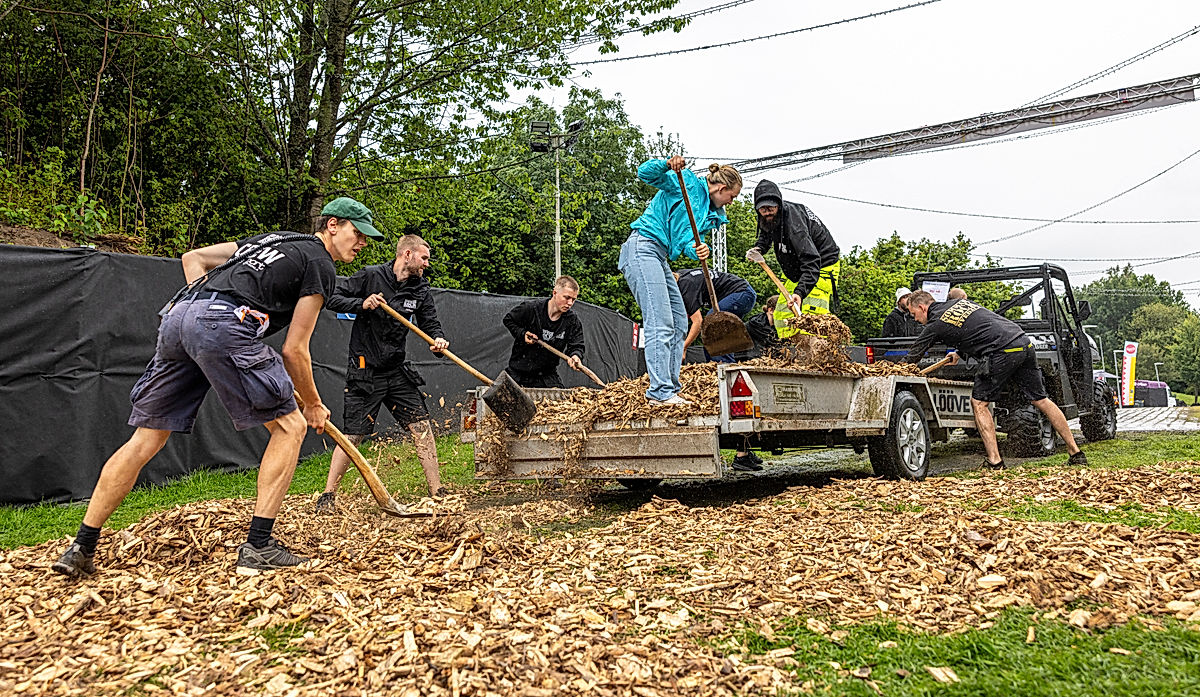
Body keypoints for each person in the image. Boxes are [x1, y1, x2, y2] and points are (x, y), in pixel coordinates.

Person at [52, 197, 382, 578]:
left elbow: (193, 258)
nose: (361, 245)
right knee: (291, 427)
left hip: (178, 319)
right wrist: (313, 403)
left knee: (146, 439)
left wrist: (204, 310)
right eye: (358, 234)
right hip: (223, 324)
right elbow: (294, 349)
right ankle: (259, 547)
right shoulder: (320, 264)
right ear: (333, 225)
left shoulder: (271, 239)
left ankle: (81, 548)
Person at [317, 234, 448, 513]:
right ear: (408, 254)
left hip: (397, 370)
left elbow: (430, 323)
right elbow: (333, 298)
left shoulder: (420, 289)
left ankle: (438, 491)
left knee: (421, 427)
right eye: (424, 258)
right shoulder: (371, 276)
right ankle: (327, 495)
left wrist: (438, 341)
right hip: (365, 370)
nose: (427, 263)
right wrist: (362, 304)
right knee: (353, 435)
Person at [903, 290, 1088, 470]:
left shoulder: (935, 323)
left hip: (1001, 351)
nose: (916, 319)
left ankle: (995, 461)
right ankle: (1076, 453)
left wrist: (894, 370)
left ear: (922, 307)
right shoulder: (960, 304)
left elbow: (913, 355)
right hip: (1023, 342)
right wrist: (959, 353)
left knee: (979, 403)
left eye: (914, 314)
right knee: (1041, 399)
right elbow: (979, 327)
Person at [619, 156, 741, 405]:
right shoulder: (685, 182)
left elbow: (682, 238)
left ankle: (671, 388)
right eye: (732, 196)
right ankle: (659, 392)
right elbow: (645, 173)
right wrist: (666, 164)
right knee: (660, 322)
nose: (731, 202)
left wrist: (695, 249)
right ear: (722, 188)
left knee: (678, 322)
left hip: (660, 255)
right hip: (642, 248)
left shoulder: (706, 212)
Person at [747, 180, 840, 339]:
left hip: (820, 265)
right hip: (794, 267)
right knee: (782, 315)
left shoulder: (795, 226)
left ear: (779, 206)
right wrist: (759, 248)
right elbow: (766, 232)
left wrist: (800, 292)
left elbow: (811, 261)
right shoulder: (767, 217)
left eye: (771, 208)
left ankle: (817, 355)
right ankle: (791, 353)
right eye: (763, 209)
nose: (768, 213)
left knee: (810, 319)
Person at [502, 275, 586, 388]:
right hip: (518, 373)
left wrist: (576, 356)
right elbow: (509, 319)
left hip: (546, 376)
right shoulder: (531, 309)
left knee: (562, 402)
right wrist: (522, 334)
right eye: (566, 297)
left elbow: (577, 345)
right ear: (554, 293)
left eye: (573, 299)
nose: (570, 303)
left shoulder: (572, 321)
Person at [674, 267, 757, 363]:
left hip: (742, 292)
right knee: (709, 330)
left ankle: (724, 364)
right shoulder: (681, 276)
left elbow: (697, 322)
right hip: (740, 293)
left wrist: (683, 348)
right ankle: (712, 364)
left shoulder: (685, 287)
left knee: (714, 321)